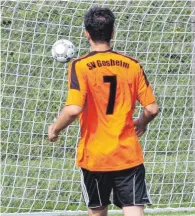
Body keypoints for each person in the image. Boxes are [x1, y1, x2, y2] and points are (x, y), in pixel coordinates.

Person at [47, 7, 159, 216]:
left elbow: (73, 110)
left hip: (95, 155)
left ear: (86, 33)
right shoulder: (132, 65)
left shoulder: (80, 65)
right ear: (112, 31)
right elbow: (152, 108)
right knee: (134, 209)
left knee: (98, 210)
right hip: (127, 153)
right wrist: (142, 122)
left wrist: (54, 129)